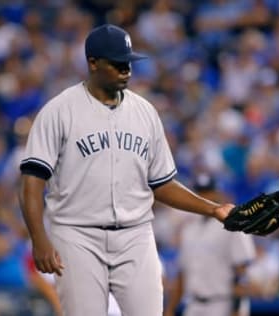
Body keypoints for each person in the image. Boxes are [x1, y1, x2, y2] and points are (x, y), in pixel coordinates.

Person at [18, 24, 233, 316]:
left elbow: (163, 184)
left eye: (128, 63)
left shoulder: (145, 113)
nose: (126, 70)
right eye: (117, 63)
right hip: (76, 235)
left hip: (136, 235)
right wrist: (39, 238)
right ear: (93, 63)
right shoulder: (59, 111)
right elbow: (31, 184)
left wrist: (213, 209)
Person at [164, 173, 256, 316]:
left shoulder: (233, 225)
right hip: (193, 305)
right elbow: (182, 273)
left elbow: (241, 272)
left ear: (218, 193)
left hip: (223, 304)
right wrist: (170, 309)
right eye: (201, 192)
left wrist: (237, 309)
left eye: (208, 192)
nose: (205, 196)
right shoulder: (189, 228)